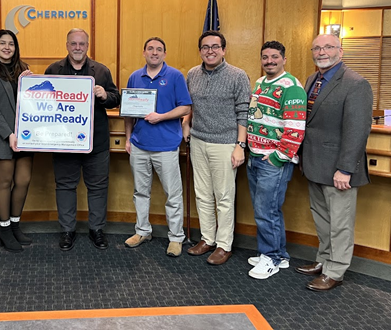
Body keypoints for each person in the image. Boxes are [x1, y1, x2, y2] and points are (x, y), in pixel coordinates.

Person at [296, 34, 373, 291]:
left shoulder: (355, 83)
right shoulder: (312, 79)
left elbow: (357, 130)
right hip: (314, 164)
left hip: (338, 169)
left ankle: (336, 270)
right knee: (322, 219)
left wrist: (345, 168)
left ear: (340, 51)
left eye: (328, 47)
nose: (321, 52)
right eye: (316, 48)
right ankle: (324, 260)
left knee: (340, 222)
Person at [45, 28, 120, 251]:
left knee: (98, 187)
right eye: (73, 44)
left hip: (95, 143)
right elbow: (40, 100)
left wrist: (105, 96)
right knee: (65, 186)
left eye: (82, 44)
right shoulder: (53, 70)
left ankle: (96, 229)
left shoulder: (102, 71)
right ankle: (67, 230)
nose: (78, 48)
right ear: (67, 45)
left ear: (88, 46)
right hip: (63, 141)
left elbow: (116, 98)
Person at [182, 31, 250, 265]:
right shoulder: (192, 74)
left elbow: (244, 112)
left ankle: (224, 245)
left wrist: (240, 145)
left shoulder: (237, 75)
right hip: (198, 141)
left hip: (225, 144)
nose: (210, 51)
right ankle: (207, 238)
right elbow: (189, 104)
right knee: (202, 194)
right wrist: (186, 123)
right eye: (205, 47)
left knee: (223, 196)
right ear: (200, 50)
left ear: (223, 49)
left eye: (215, 47)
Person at [124, 37, 192, 257]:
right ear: (144, 52)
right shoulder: (135, 76)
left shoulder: (174, 76)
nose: (154, 52)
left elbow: (185, 107)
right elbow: (128, 112)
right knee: (140, 192)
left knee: (172, 194)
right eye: (150, 49)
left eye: (159, 49)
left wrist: (161, 117)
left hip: (166, 146)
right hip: (139, 145)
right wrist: (127, 139)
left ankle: (175, 237)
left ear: (164, 53)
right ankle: (142, 231)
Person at [246, 41, 307, 279]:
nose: (269, 61)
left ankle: (269, 257)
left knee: (266, 211)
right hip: (255, 156)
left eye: (274, 56)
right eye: (265, 57)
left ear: (283, 59)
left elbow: (295, 129)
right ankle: (279, 255)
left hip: (273, 160)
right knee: (269, 209)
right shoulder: (261, 83)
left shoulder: (292, 87)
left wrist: (278, 157)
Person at [0, 30, 34, 252]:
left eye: (11, 44)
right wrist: (8, 134)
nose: (6, 47)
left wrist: (34, 84)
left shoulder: (24, 69)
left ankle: (15, 224)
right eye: (2, 43)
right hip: (1, 136)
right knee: (5, 181)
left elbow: (34, 101)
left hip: (25, 136)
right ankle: (4, 230)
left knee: (23, 180)